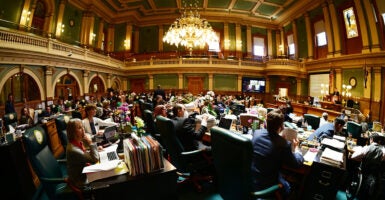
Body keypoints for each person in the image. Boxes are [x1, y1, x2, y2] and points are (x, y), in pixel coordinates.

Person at [250, 109, 304, 197]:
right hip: (266, 186)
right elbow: (296, 164)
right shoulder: (284, 144)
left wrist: (280, 138)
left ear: (266, 123)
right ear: (281, 127)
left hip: (250, 180)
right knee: (290, 187)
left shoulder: (256, 133)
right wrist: (297, 148)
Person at [66, 118, 99, 189]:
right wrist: (91, 143)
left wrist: (95, 149)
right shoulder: (73, 150)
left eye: (82, 126)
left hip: (85, 170)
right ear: (73, 132)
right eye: (79, 128)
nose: (83, 129)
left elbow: (85, 153)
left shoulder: (77, 142)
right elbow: (95, 159)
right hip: (81, 182)